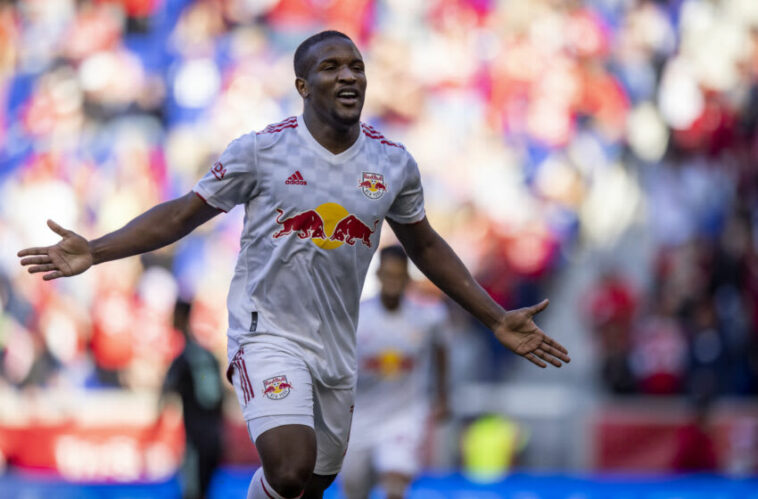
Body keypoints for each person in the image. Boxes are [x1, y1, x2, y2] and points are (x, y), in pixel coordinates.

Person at [17, 30, 570, 499]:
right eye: (331, 67)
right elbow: (182, 216)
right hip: (266, 333)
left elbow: (425, 246)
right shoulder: (260, 151)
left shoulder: (393, 164)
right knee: (289, 466)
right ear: (303, 87)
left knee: (307, 485)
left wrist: (494, 317)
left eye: (356, 66)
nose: (349, 76)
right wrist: (97, 249)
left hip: (336, 346)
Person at [341, 245, 449, 499]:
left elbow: (441, 350)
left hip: (404, 415)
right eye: (387, 275)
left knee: (395, 483)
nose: (392, 282)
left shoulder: (428, 315)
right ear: (378, 275)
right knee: (355, 488)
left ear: (407, 278)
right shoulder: (358, 315)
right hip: (360, 416)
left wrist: (443, 395)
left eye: (398, 275)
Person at [160, 299, 224, 499]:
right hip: (215, 437)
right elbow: (217, 397)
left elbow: (166, 396)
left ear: (180, 317)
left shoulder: (183, 359)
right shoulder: (207, 354)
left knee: (192, 492)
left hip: (195, 441)